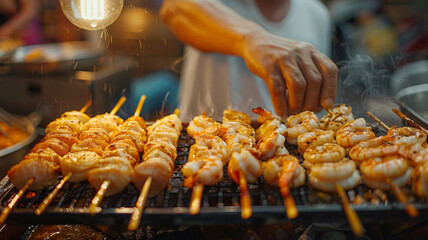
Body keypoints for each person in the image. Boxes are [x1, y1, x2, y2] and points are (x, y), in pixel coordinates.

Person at [160, 0, 338, 121]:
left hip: (280, 155)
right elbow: (174, 8)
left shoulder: (317, 14)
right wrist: (252, 39)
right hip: (199, 154)